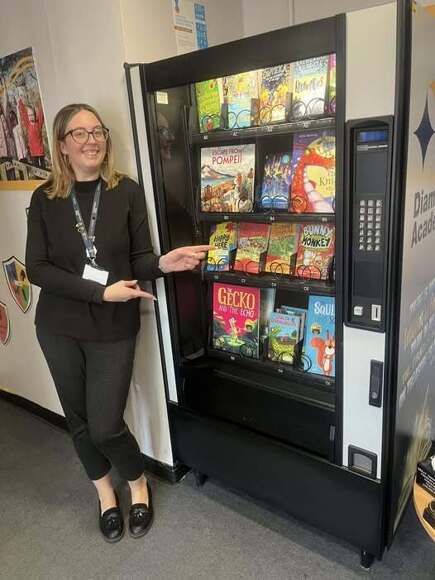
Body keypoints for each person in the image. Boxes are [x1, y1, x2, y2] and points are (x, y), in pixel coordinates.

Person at [25, 103, 209, 543]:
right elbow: (38, 269)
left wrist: (165, 263)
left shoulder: (125, 191)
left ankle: (137, 482)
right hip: (59, 326)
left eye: (98, 131)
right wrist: (99, 291)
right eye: (79, 133)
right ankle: (106, 495)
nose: (92, 140)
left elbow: (139, 259)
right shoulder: (44, 198)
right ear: (62, 145)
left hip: (113, 326)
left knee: (106, 423)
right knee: (80, 421)